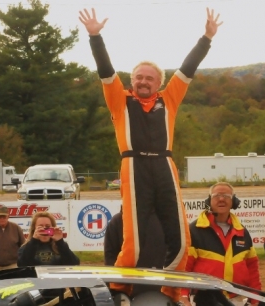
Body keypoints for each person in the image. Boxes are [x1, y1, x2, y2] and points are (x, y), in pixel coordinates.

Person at [79, 7, 222, 302]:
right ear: (132, 81)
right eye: (138, 77)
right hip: (134, 165)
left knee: (181, 238)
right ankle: (118, 289)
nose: (143, 82)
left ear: (159, 83)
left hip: (164, 163)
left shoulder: (169, 99)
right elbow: (105, 71)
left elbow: (188, 68)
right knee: (134, 241)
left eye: (149, 78)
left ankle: (171, 288)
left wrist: (207, 38)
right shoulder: (120, 100)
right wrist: (95, 37)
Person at [179, 182, 261, 306]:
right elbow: (185, 268)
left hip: (236, 300)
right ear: (209, 201)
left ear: (234, 201)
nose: (222, 199)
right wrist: (183, 297)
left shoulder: (242, 232)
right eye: (217, 195)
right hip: (204, 300)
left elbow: (252, 268)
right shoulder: (195, 230)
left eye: (226, 196)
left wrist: (256, 299)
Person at [0, 205, 25, 272]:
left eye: (4, 216)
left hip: (12, 265)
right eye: (0, 217)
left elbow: (23, 246)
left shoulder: (16, 228)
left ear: (8, 216)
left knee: (14, 282)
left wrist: (21, 261)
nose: (2, 219)